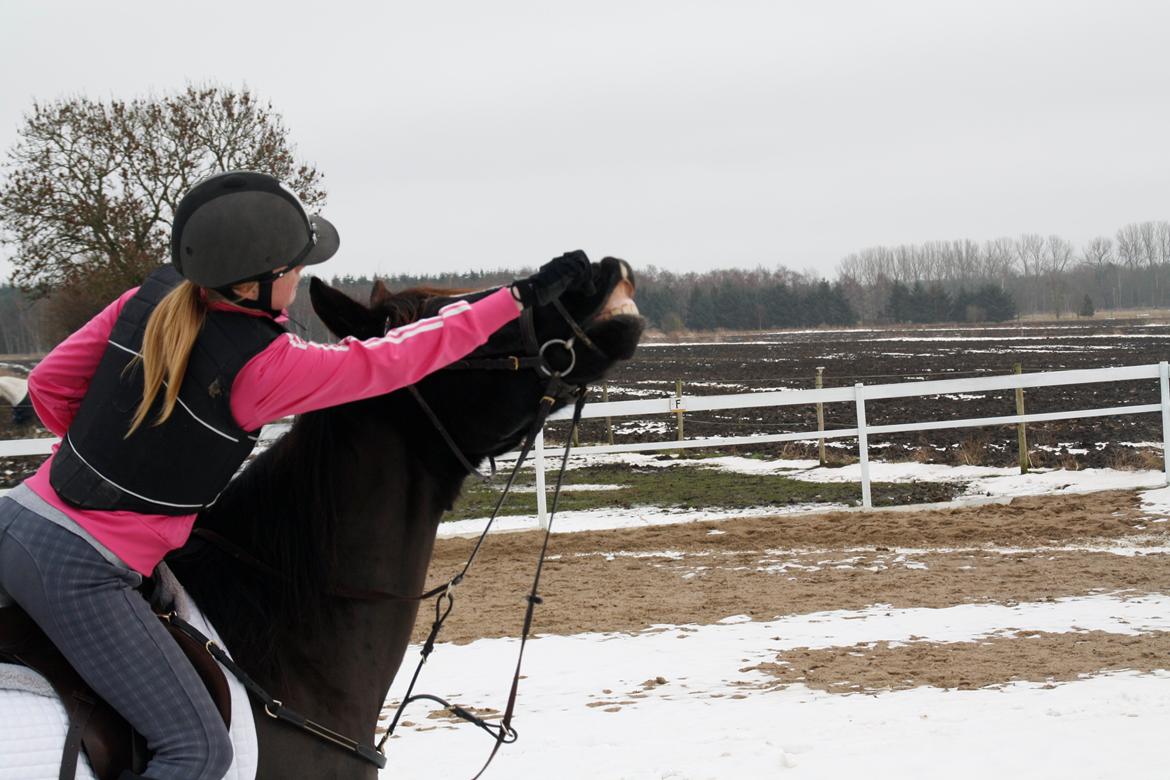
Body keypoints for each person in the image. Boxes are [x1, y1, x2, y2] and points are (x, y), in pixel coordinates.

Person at [0, 170, 593, 780]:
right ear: (257, 281)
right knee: (197, 752)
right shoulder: (265, 367)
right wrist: (513, 302)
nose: (299, 276)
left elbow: (49, 388)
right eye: (294, 267)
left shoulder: (152, 296)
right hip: (79, 571)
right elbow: (397, 357)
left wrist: (116, 460)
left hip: (16, 514)